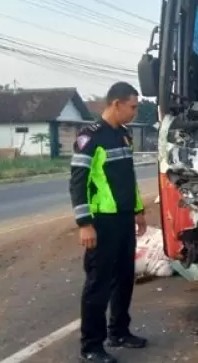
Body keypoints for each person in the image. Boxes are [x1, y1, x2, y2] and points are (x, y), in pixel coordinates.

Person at [70, 82, 148, 363]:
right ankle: (91, 347)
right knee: (98, 284)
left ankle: (119, 332)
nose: (135, 112)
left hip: (124, 219)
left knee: (124, 279)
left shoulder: (123, 135)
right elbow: (78, 182)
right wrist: (84, 223)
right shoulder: (91, 137)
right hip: (101, 222)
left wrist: (138, 210)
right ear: (116, 104)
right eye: (132, 107)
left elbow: (128, 177)